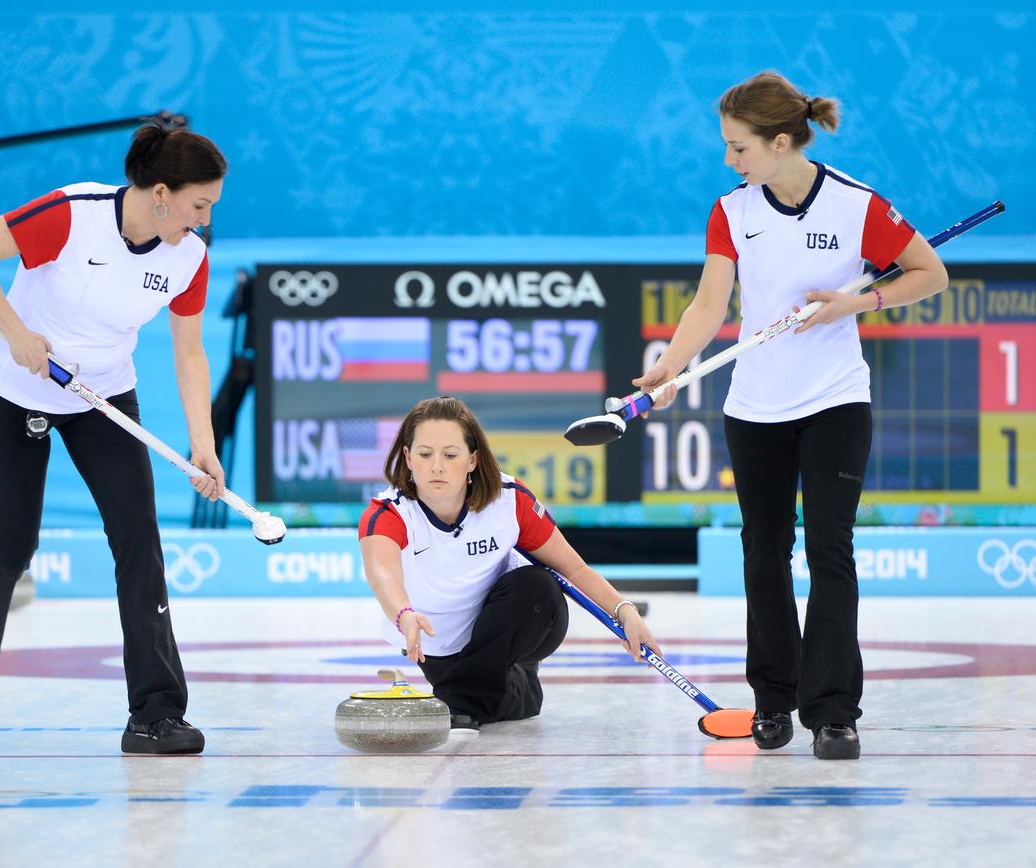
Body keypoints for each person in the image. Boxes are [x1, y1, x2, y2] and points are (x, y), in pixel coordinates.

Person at [632, 71, 947, 760]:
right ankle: (774, 699)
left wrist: (854, 304)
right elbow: (708, 304)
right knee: (763, 550)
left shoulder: (857, 205)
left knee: (830, 549)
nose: (729, 160)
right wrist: (671, 368)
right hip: (755, 408)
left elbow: (930, 273)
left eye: (738, 147)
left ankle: (834, 711)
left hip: (835, 399)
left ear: (780, 142)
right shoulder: (732, 211)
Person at [0, 121, 229, 754]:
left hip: (102, 396)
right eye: (198, 205)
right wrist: (14, 332)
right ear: (159, 192)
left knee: (138, 544)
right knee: (11, 547)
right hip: (13, 389)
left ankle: (154, 713)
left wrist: (202, 443)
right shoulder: (73, 214)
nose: (203, 221)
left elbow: (190, 354)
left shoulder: (189, 257)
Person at [358, 396, 661, 731]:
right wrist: (404, 613)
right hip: (439, 644)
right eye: (425, 454)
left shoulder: (509, 500)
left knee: (537, 585)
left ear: (472, 460)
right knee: (493, 701)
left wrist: (624, 609)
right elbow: (381, 572)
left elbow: (573, 569)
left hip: (513, 621)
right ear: (408, 458)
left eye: (450, 454)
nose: (437, 467)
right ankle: (510, 687)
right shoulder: (388, 513)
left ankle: (473, 691)